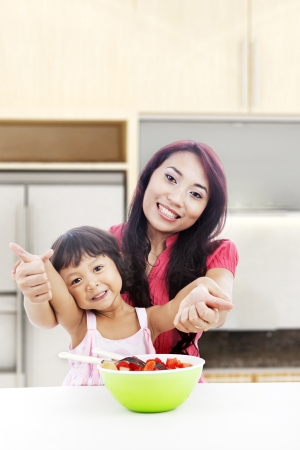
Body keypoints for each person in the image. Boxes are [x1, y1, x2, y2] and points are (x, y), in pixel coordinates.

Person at [11, 140, 238, 373]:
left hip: (181, 387)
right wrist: (34, 289)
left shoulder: (217, 251)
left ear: (206, 208)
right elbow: (49, 318)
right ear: (149, 176)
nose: (176, 198)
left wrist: (205, 307)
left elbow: (218, 304)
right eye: (171, 178)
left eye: (195, 194)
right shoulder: (108, 244)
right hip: (110, 392)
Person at [9, 226, 231, 386]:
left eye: (97, 268)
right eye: (76, 281)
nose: (92, 284)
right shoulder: (80, 324)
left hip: (133, 411)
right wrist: (37, 274)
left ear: (118, 263)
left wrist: (202, 284)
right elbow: (43, 308)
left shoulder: (148, 321)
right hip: (85, 418)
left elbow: (175, 306)